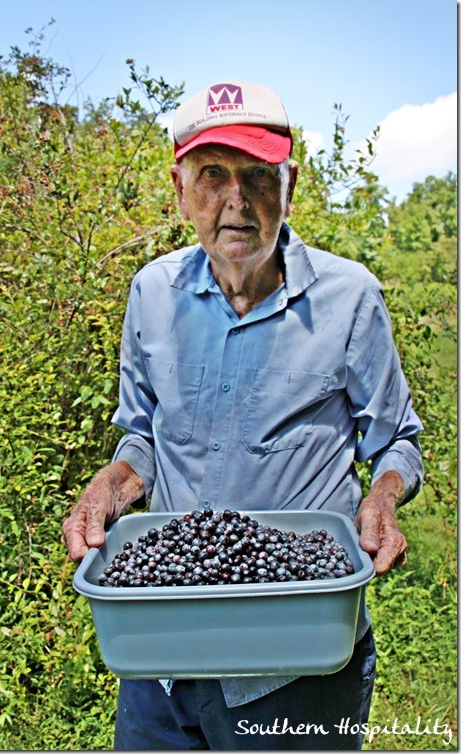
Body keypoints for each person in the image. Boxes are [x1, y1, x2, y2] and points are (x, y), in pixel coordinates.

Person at [62, 80, 423, 750]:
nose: (237, 200)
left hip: (296, 662)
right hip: (161, 658)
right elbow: (140, 432)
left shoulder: (350, 299)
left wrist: (383, 496)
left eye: (258, 175)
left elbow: (396, 438)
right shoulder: (152, 296)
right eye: (212, 175)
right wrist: (114, 481)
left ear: (292, 183)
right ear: (179, 188)